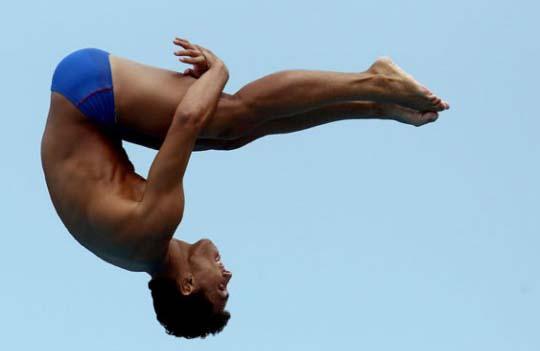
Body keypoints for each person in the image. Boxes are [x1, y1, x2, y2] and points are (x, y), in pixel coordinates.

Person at [40, 37, 449, 339]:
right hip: (89, 111)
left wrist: (218, 72)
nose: (228, 273)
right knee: (234, 137)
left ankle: (374, 82)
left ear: (186, 285)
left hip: (86, 90)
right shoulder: (137, 253)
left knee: (231, 114)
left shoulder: (152, 227)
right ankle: (377, 107)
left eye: (220, 287)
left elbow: (186, 122)